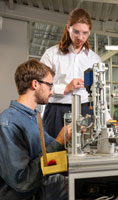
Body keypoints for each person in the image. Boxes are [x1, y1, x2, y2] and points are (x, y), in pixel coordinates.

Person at [0, 59, 71, 200]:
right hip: (24, 194)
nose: (51, 92)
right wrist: (59, 141)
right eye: (50, 86)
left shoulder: (34, 116)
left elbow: (47, 149)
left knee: (84, 183)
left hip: (38, 185)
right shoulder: (8, 123)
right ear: (35, 84)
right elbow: (22, 181)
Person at [40, 8, 111, 138]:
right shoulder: (51, 54)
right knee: (54, 154)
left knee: (86, 152)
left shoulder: (94, 59)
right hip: (56, 110)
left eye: (85, 33)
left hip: (85, 111)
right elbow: (40, 86)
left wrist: (107, 118)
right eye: (76, 32)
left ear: (89, 31)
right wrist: (65, 88)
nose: (80, 37)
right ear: (68, 28)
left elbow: (100, 92)